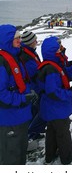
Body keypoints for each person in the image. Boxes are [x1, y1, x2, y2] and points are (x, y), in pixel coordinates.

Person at [37, 36, 72, 164]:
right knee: (63, 133)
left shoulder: (53, 65)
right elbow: (53, 92)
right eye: (59, 49)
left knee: (52, 131)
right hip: (56, 108)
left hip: (51, 108)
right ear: (52, 52)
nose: (61, 50)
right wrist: (70, 93)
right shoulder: (51, 69)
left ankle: (50, 156)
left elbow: (65, 74)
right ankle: (67, 157)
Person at [0, 24, 36, 164]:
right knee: (11, 158)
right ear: (8, 40)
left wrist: (29, 94)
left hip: (20, 116)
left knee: (20, 155)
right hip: (9, 120)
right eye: (17, 38)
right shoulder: (2, 62)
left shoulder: (15, 57)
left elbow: (19, 84)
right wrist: (22, 99)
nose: (20, 41)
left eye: (20, 37)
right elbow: (1, 95)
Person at [20, 31, 46, 141]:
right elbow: (34, 74)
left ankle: (33, 132)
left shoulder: (29, 51)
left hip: (33, 86)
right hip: (34, 87)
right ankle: (32, 133)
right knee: (42, 110)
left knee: (34, 110)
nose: (36, 41)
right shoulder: (26, 56)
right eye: (34, 40)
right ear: (30, 42)